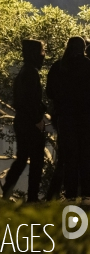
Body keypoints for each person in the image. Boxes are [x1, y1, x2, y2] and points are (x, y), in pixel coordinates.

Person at [45, 37, 90, 202]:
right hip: (86, 118)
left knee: (70, 156)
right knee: (86, 154)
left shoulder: (59, 66)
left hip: (65, 118)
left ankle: (70, 193)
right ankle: (87, 193)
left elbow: (49, 92)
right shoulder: (88, 65)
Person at [2, 40, 47, 202]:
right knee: (36, 161)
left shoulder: (25, 71)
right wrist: (37, 119)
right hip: (30, 123)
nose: (44, 54)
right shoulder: (31, 73)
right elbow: (30, 100)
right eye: (42, 51)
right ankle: (32, 198)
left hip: (22, 121)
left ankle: (7, 192)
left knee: (21, 159)